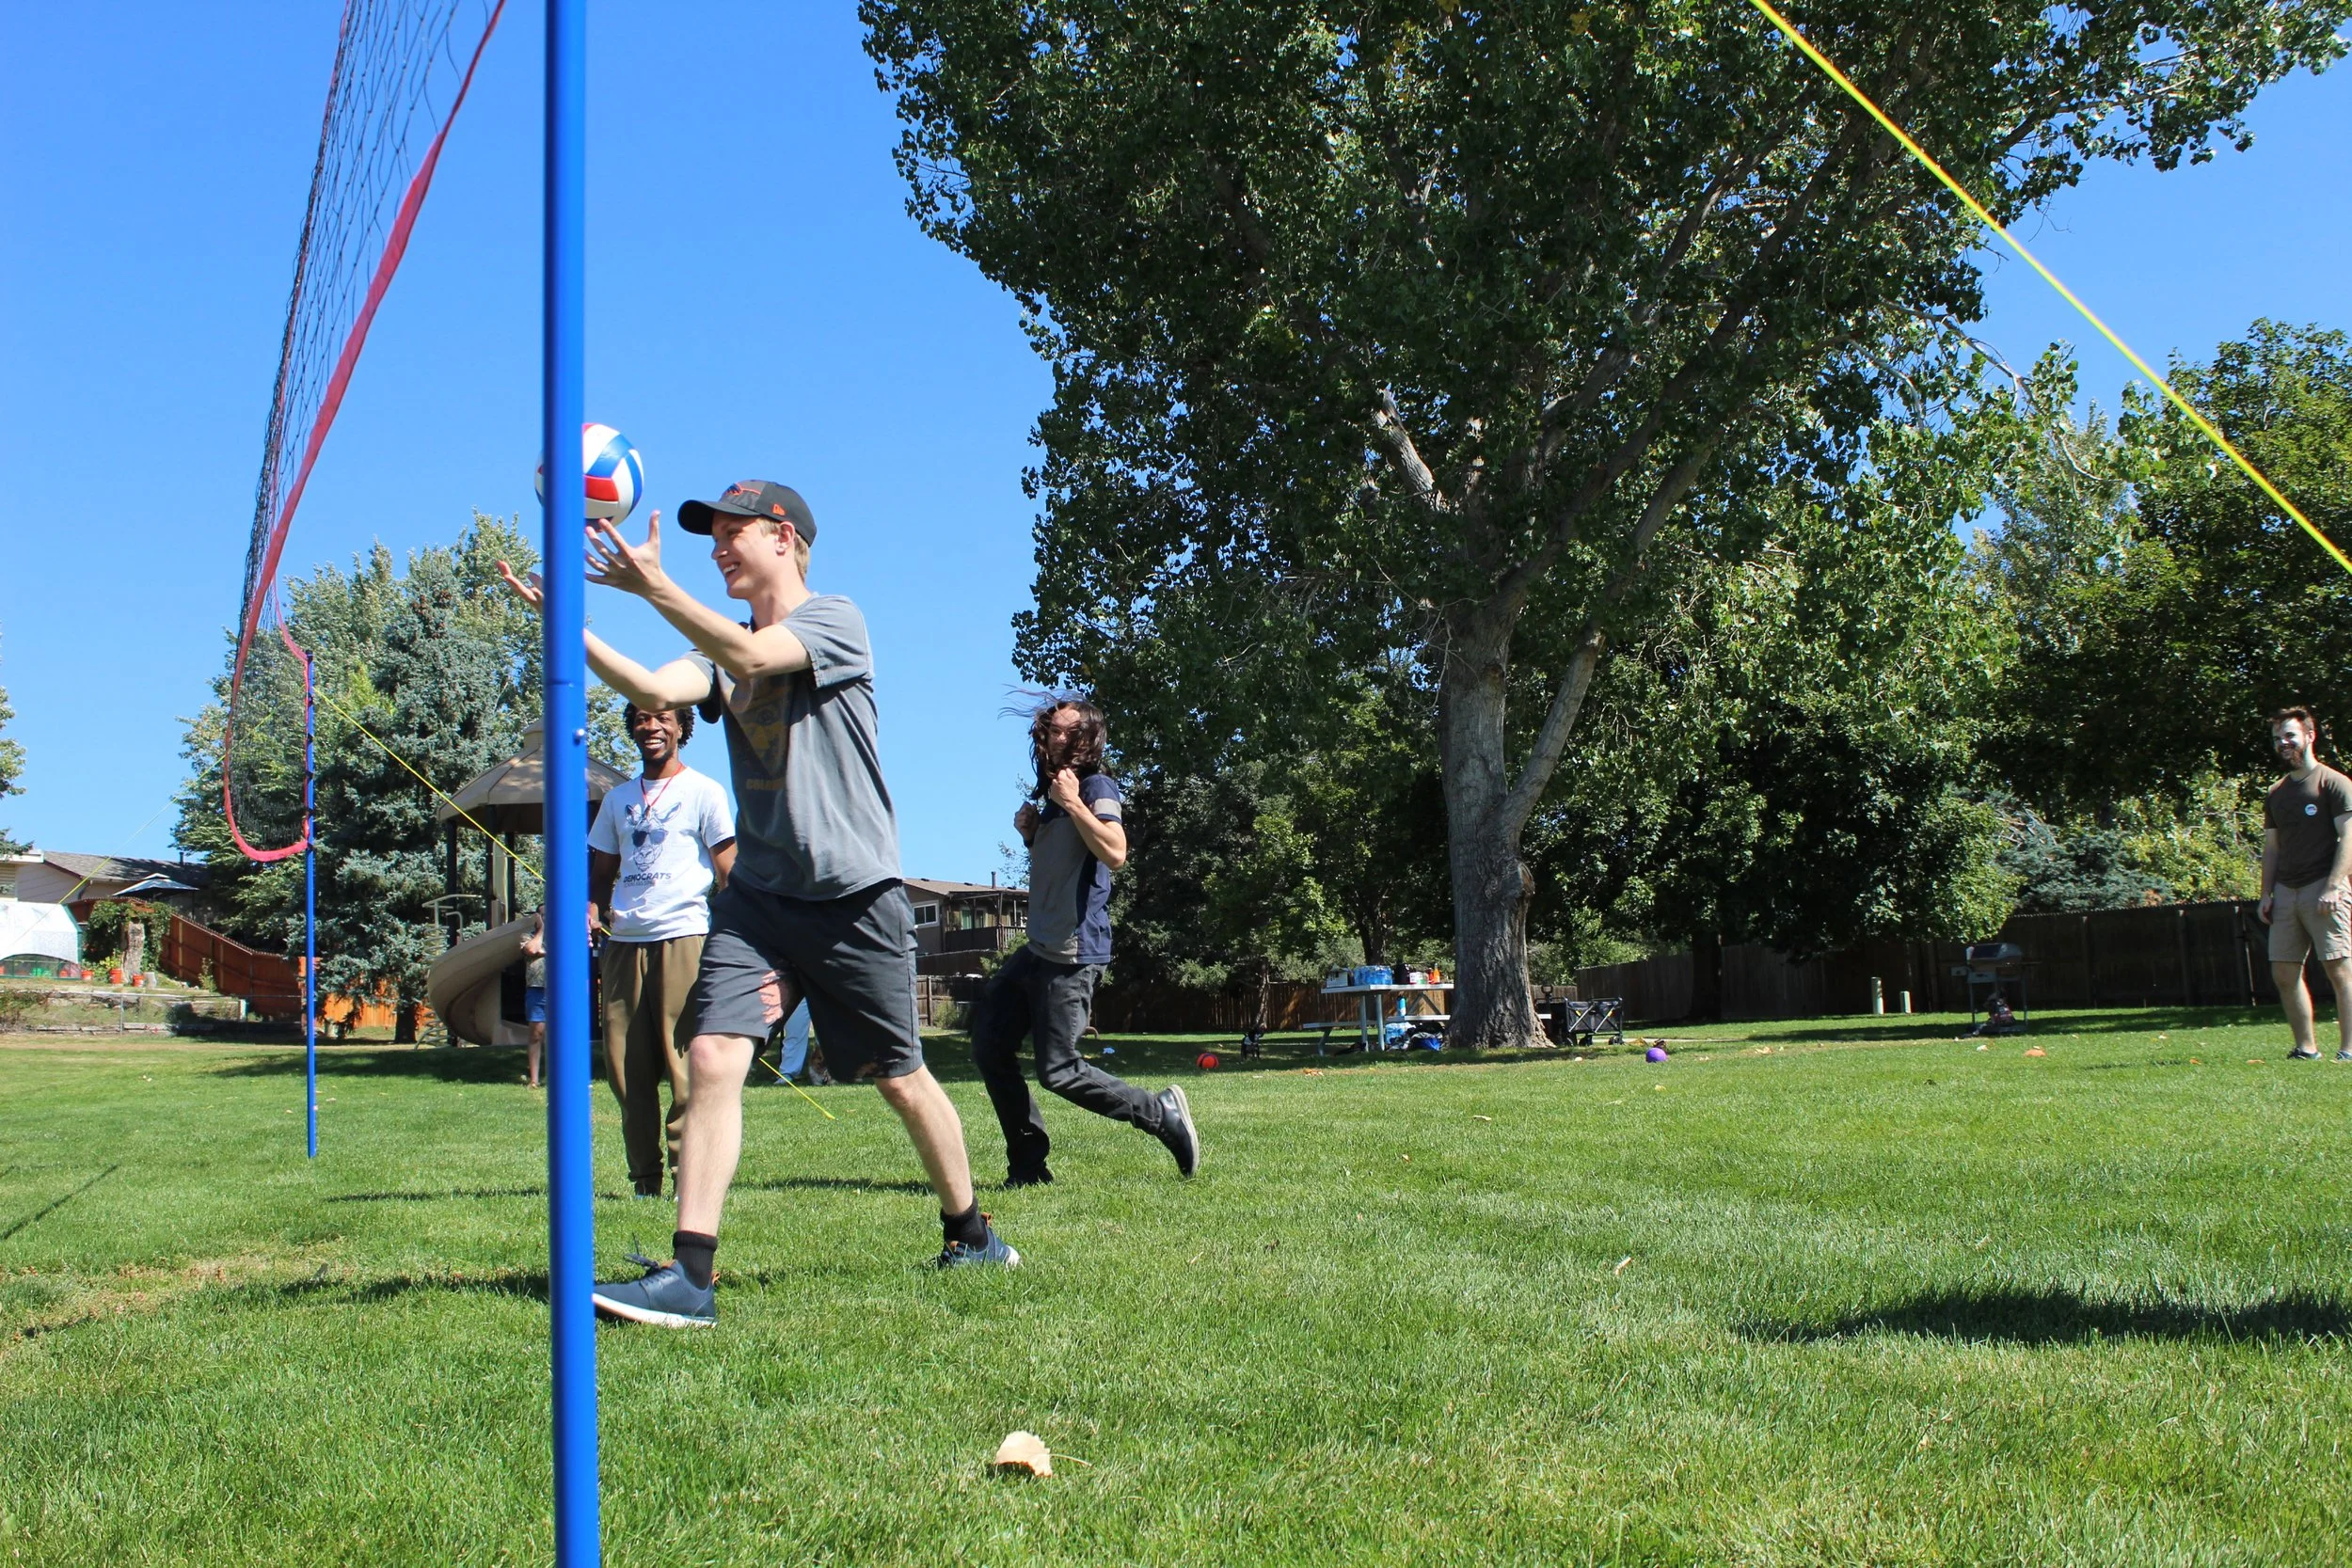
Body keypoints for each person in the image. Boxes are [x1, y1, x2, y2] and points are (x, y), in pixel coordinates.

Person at [500, 479, 1016, 1331]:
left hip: (856, 898)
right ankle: (690, 1276)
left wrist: (654, 587)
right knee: (709, 1056)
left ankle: (970, 1232)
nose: (717, 548)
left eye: (731, 532)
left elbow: (753, 661)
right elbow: (652, 679)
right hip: (763, 899)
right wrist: (572, 628)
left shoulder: (835, 621)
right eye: (712, 537)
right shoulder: (718, 652)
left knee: (901, 1077)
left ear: (785, 536)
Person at [967, 698, 1199, 1186]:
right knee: (989, 1043)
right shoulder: (1053, 793)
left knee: (1059, 1071)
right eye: (1049, 729)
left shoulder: (1095, 786)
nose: (1052, 736)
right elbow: (1065, 866)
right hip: (1035, 951)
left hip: (1071, 954)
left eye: (1063, 730)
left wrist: (1074, 804)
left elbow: (1115, 852)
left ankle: (1161, 1115)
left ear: (1085, 738)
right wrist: (1032, 835)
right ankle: (1029, 1169)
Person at [590, 701, 736, 1197]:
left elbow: (727, 870)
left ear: (681, 729)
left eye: (663, 719)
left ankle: (685, 1176)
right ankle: (644, 1180)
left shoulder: (704, 791)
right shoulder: (618, 800)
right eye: (641, 719)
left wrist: (741, 931)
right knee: (625, 1069)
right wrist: (590, 909)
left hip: (684, 938)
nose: (650, 727)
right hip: (624, 945)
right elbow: (602, 873)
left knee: (684, 1069)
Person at [2260, 706, 2352, 1061]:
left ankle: (2347, 1049)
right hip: (2286, 892)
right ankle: (2306, 1048)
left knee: (2339, 969)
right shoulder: (2277, 792)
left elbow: (2349, 838)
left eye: (2289, 736)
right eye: (2277, 739)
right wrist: (2266, 894)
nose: (2283, 743)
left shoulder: (2334, 783)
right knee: (2283, 971)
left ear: (2310, 736)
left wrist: (2333, 886)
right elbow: (2272, 848)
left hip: (2324, 887)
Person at [518, 909, 548, 1089]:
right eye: (543, 915)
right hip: (537, 991)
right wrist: (542, 929)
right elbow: (531, 949)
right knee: (536, 1034)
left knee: (560, 1035)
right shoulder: (527, 936)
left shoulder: (563, 933)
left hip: (559, 992)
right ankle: (534, 1080)